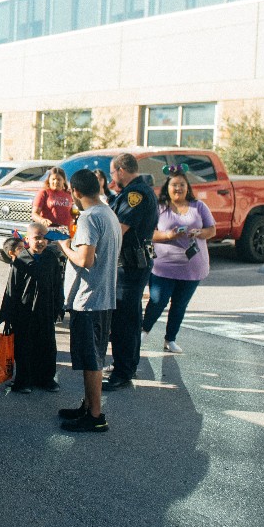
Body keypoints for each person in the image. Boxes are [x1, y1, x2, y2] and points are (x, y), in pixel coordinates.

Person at [56, 169, 121, 432]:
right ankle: (88, 405)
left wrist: (63, 245)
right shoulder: (108, 212)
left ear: (75, 191)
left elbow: (85, 260)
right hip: (103, 295)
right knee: (91, 356)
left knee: (92, 360)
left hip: (90, 298)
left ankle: (95, 416)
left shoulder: (89, 217)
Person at [142, 166, 216, 354]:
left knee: (180, 304)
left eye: (182, 184)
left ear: (187, 187)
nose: (178, 188)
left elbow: (211, 230)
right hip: (164, 266)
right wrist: (167, 235)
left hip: (192, 267)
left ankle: (170, 339)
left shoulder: (199, 206)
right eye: (174, 185)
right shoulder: (159, 207)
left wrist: (200, 232)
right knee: (158, 301)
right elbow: (148, 233)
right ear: (167, 187)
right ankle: (143, 332)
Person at [103, 153, 160, 391]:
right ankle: (125, 364)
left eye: (112, 172)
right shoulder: (135, 191)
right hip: (134, 264)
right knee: (131, 318)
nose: (112, 177)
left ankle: (123, 371)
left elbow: (119, 229)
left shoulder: (135, 195)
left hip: (129, 266)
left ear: (121, 170)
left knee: (124, 321)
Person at [0, 223, 65, 393]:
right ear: (27, 239)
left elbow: (57, 285)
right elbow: (11, 289)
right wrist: (8, 316)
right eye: (37, 238)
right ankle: (24, 381)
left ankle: (46, 379)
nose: (41, 241)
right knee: (24, 346)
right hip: (24, 312)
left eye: (44, 238)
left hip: (46, 310)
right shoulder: (21, 260)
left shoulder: (51, 259)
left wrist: (59, 307)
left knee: (47, 346)